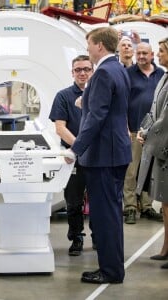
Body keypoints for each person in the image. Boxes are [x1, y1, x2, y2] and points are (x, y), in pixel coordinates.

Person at [67, 27, 132, 284]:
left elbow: (97, 117)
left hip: (104, 155)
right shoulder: (118, 69)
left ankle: (110, 271)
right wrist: (87, 99)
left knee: (105, 216)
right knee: (112, 214)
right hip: (116, 151)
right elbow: (111, 105)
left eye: (89, 45)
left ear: (99, 46)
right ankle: (113, 267)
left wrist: (75, 149)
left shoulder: (103, 72)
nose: (88, 50)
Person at [49, 55, 95, 256]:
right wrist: (80, 147)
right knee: (74, 201)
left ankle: (98, 237)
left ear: (92, 71)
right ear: (72, 72)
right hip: (74, 157)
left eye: (86, 69)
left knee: (97, 200)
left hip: (97, 157)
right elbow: (60, 128)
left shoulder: (100, 94)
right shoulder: (63, 96)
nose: (82, 73)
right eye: (78, 70)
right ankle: (76, 238)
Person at [124, 42, 164, 224]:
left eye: (144, 53)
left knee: (149, 171)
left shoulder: (161, 74)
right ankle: (130, 207)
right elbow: (122, 102)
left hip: (155, 133)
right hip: (134, 130)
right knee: (132, 171)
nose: (141, 56)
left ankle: (147, 206)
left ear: (152, 54)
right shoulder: (128, 74)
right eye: (138, 53)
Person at [137, 37, 168, 269]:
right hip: (162, 146)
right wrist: (143, 128)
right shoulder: (164, 78)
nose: (158, 55)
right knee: (166, 203)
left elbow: (166, 119)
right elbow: (154, 110)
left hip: (165, 145)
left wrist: (148, 134)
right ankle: (166, 248)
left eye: (161, 50)